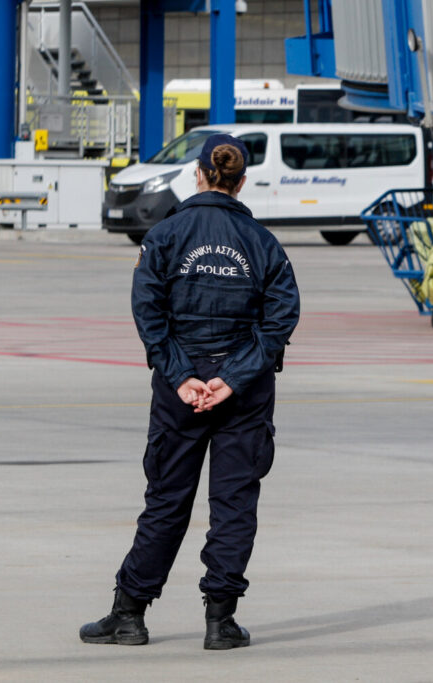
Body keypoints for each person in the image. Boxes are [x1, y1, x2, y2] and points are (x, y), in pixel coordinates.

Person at [79, 134, 300, 650]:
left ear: (198, 175)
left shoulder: (165, 235)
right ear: (240, 182)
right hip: (241, 392)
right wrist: (234, 377)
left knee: (167, 501)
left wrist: (182, 376)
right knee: (234, 504)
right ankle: (220, 623)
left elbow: (148, 313)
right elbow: (282, 316)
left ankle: (129, 614)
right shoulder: (264, 243)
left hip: (181, 389)